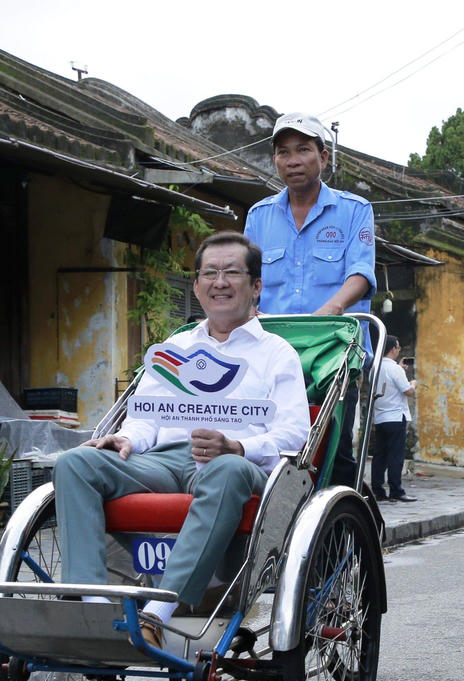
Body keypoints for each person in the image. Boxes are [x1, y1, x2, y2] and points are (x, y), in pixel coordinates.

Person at [53, 232, 311, 647]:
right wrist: (125, 440)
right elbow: (145, 417)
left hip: (237, 468)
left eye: (232, 272)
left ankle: (159, 613)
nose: (220, 282)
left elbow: (294, 433)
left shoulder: (277, 353)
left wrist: (237, 446)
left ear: (256, 286)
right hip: (166, 460)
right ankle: (92, 606)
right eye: (210, 273)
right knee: (75, 463)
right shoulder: (176, 347)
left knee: (225, 470)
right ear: (196, 286)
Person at [245, 112, 376, 487]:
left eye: (303, 150)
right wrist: (253, 311)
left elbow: (361, 275)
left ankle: (347, 525)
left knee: (333, 447)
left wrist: (328, 313)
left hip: (333, 349)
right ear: (275, 161)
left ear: (324, 158)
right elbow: (248, 280)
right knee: (269, 439)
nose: (293, 160)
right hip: (270, 348)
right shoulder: (259, 215)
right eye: (283, 152)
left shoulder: (354, 210)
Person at [371, 335, 417, 502]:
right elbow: (407, 391)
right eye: (398, 348)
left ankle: (377, 490)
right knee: (395, 456)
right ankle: (396, 490)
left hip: (380, 416)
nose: (399, 351)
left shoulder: (375, 367)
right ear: (393, 349)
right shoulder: (395, 369)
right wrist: (413, 383)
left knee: (380, 455)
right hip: (396, 416)